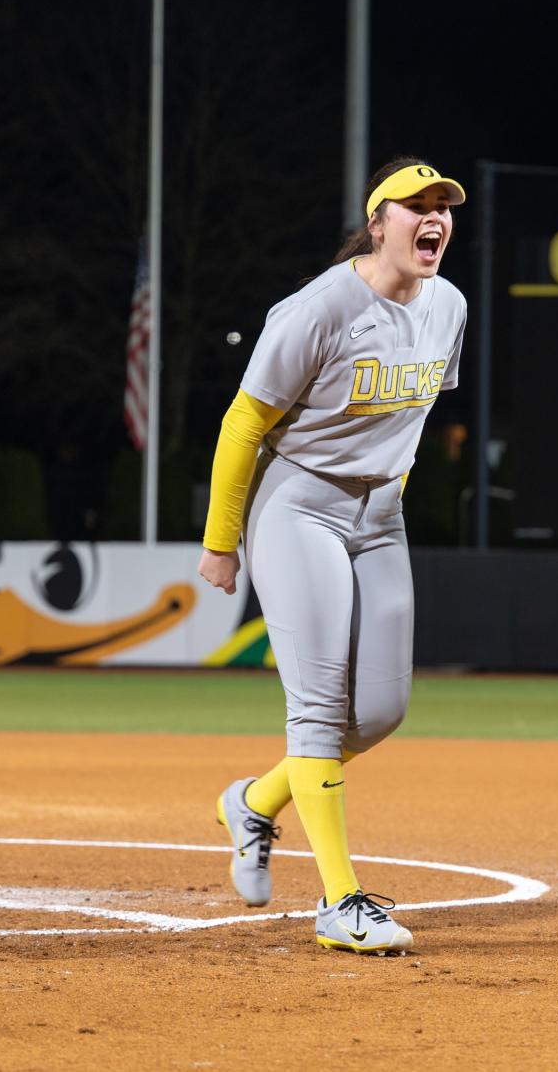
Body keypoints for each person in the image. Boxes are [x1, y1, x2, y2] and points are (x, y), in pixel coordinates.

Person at [197, 157, 468, 957]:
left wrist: (389, 500)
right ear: (377, 221)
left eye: (444, 207)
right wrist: (222, 540)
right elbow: (243, 424)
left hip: (380, 517)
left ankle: (252, 801)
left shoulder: (447, 304)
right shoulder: (319, 308)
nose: (435, 217)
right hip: (299, 508)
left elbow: (412, 421)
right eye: (415, 205)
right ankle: (340, 901)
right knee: (316, 708)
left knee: (379, 711)